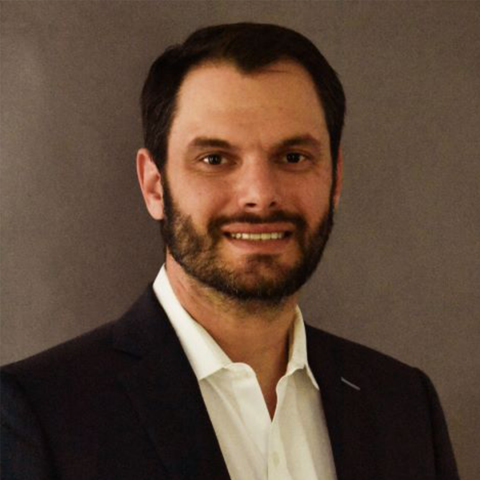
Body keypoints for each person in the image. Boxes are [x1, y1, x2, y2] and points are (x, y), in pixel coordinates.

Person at [0, 23, 460, 480]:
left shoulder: (404, 404)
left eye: (293, 157)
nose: (260, 195)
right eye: (215, 159)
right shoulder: (39, 416)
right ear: (154, 186)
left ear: (334, 180)